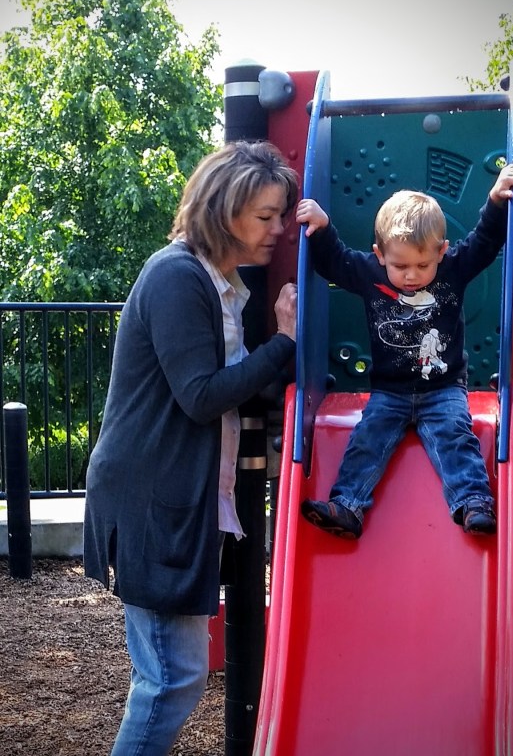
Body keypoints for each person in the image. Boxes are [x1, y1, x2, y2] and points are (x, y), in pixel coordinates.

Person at [83, 140, 299, 755]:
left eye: (280, 215)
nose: (278, 230)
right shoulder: (178, 277)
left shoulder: (220, 281)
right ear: (225, 212)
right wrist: (284, 343)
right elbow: (201, 396)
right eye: (265, 216)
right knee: (170, 678)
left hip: (173, 496)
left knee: (171, 675)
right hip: (152, 497)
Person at [296, 162, 513, 541]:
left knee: (455, 434)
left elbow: (484, 243)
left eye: (423, 264)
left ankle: (474, 502)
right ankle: (347, 507)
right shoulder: (370, 273)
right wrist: (321, 229)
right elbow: (334, 262)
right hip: (390, 391)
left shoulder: (452, 270)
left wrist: (496, 201)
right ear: (380, 254)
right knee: (368, 438)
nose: (412, 275)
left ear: (442, 252)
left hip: (443, 388)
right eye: (400, 265)